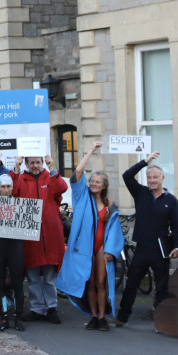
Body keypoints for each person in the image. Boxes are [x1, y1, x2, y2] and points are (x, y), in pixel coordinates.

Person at [55, 141, 124, 331]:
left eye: (97, 182)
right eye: (92, 181)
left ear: (103, 186)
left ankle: (103, 317)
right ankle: (94, 316)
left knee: (101, 283)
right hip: (85, 246)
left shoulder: (109, 204)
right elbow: (77, 172)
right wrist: (91, 150)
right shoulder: (81, 196)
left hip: (101, 248)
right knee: (90, 283)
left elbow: (114, 229)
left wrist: (111, 250)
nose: (93, 184)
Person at [115, 152, 178, 326]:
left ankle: (161, 321)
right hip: (143, 247)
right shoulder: (141, 193)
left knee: (162, 287)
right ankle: (122, 318)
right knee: (132, 283)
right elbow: (127, 176)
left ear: (163, 178)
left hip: (161, 249)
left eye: (155, 177)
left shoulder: (171, 200)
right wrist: (145, 162)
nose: (152, 180)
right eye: (149, 177)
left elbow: (175, 225)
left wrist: (177, 246)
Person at [9, 154, 68, 324]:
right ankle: (37, 308)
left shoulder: (50, 177)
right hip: (29, 235)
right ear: (27, 163)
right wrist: (16, 168)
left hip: (50, 234)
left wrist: (52, 167)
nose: (35, 165)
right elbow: (11, 191)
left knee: (49, 277)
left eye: (38, 162)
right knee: (33, 275)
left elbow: (62, 188)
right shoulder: (21, 178)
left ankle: (51, 307)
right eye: (32, 162)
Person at [0, 174, 26, 332]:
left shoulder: (20, 204)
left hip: (15, 247)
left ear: (12, 188)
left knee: (18, 283)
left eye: (8, 187)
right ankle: (4, 317)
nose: (5, 190)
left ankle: (18, 317)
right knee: (0, 283)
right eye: (3, 187)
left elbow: (27, 227)